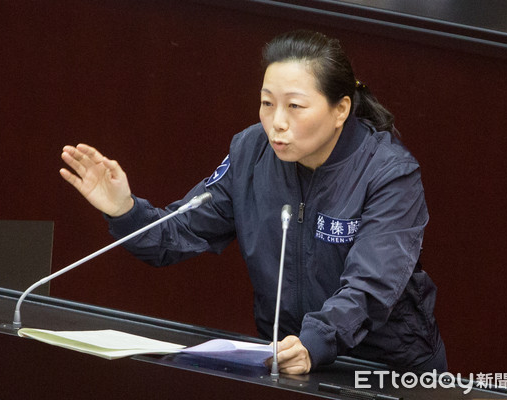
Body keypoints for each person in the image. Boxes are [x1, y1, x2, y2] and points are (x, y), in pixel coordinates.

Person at [60, 30, 447, 375]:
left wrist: (315, 342)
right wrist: (125, 210)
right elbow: (179, 233)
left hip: (382, 368)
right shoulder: (251, 152)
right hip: (288, 364)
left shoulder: (389, 173)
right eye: (267, 103)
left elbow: (371, 287)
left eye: (294, 106)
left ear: (340, 109)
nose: (277, 122)